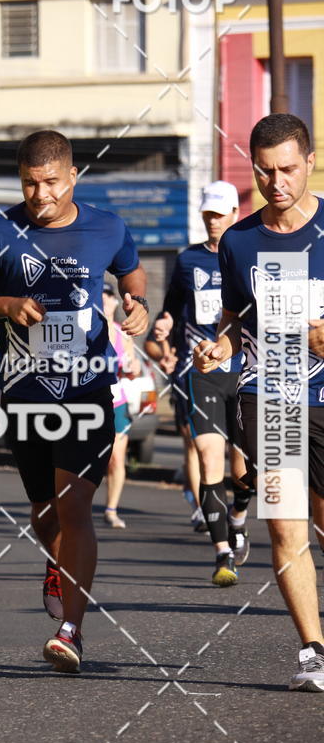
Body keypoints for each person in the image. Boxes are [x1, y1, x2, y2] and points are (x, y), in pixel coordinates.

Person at [0, 130, 148, 673]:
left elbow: (131, 272)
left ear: (73, 177)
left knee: (75, 506)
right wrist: (6, 305)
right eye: (30, 184)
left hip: (86, 391)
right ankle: (54, 562)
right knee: (44, 511)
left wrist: (139, 305)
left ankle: (72, 631)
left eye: (51, 183)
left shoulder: (106, 226)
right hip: (24, 394)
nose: (40, 195)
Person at [194, 113, 324, 691]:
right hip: (270, 398)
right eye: (266, 171)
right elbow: (234, 316)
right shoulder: (240, 241)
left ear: (310, 162)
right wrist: (217, 347)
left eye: (288, 170)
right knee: (286, 529)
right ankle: (313, 652)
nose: (277, 183)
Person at [154, 181, 253, 585]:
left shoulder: (249, 254)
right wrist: (160, 326)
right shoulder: (187, 261)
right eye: (208, 215)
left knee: (242, 467)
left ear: (234, 214)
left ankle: (239, 517)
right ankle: (222, 555)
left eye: (220, 214)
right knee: (208, 458)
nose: (213, 222)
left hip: (246, 372)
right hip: (203, 374)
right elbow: (170, 309)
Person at [145, 317, 207, 533]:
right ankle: (202, 508)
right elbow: (151, 342)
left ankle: (233, 508)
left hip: (227, 379)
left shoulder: (239, 286)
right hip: (186, 380)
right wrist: (164, 354)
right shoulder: (184, 290)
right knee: (193, 442)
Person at [102, 282, 141, 529]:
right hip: (88, 402)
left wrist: (132, 369)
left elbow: (132, 365)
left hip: (117, 401)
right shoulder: (83, 329)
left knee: (116, 459)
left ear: (115, 302)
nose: (104, 300)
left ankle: (111, 509)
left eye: (108, 296)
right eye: (100, 295)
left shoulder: (121, 332)